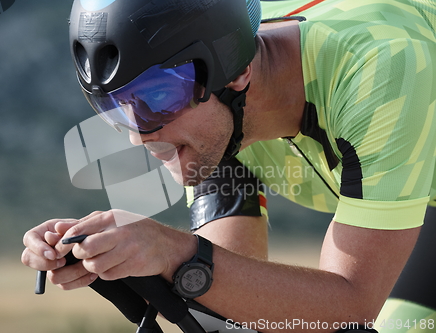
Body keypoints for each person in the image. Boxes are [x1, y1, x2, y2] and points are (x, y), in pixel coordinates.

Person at [21, 0, 436, 332]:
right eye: (116, 107)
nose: (139, 134)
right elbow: (234, 302)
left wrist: (170, 250)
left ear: (237, 74)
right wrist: (127, 261)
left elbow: (350, 309)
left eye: (158, 96)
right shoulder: (217, 117)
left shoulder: (378, 73)